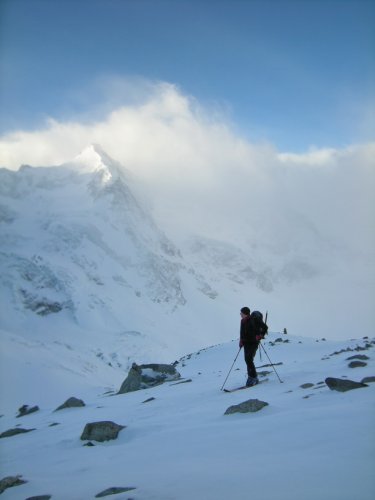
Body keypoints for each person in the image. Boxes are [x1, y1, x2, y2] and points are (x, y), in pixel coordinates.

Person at [239, 306, 262, 387]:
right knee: (247, 359)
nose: (240, 314)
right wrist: (241, 341)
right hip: (246, 343)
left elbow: (258, 331)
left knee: (249, 359)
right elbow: (241, 332)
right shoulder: (242, 321)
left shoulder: (252, 320)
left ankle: (253, 377)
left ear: (245, 313)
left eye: (241, 313)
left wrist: (259, 336)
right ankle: (251, 377)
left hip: (253, 343)